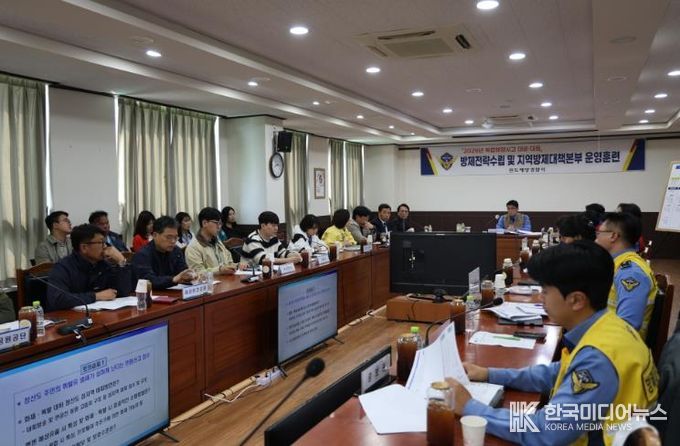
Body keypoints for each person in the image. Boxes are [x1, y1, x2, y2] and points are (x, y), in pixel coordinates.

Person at [446, 241, 659, 445]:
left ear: (576, 300)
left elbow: (545, 431)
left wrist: (470, 408)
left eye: (546, 291)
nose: (541, 298)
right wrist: (489, 374)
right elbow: (558, 372)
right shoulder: (609, 326)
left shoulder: (598, 359)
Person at [595, 212, 658, 339]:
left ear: (613, 236)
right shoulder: (618, 264)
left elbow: (628, 324)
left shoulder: (631, 272)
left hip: (618, 346)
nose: (596, 239)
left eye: (599, 233)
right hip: (606, 335)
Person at [46, 224, 132, 311]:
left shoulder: (103, 264)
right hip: (71, 316)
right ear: (84, 248)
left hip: (101, 314)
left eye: (105, 242)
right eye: (101, 243)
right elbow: (58, 299)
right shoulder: (63, 268)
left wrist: (121, 262)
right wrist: (96, 296)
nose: (105, 246)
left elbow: (123, 292)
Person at [132, 216, 194, 289]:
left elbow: (183, 271)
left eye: (175, 237)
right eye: (169, 237)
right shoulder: (142, 255)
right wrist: (173, 279)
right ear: (155, 235)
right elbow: (148, 281)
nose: (173, 241)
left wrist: (190, 275)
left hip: (172, 293)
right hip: (151, 294)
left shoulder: (176, 251)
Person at [185, 207, 237, 275]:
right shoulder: (193, 247)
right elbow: (197, 273)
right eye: (217, 223)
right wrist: (219, 270)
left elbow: (229, 261)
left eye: (220, 224)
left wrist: (237, 265)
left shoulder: (217, 242)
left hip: (226, 279)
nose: (219, 227)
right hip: (211, 282)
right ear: (204, 223)